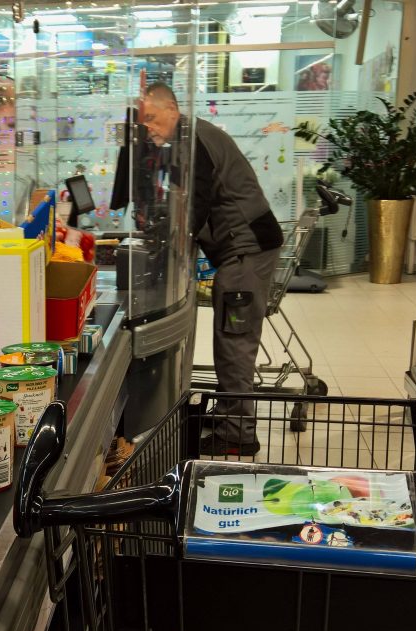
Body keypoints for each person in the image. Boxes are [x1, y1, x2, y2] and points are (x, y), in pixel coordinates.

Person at [142, 81, 284, 456]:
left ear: (172, 109)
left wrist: (170, 238)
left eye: (153, 119)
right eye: (145, 124)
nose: (150, 128)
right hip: (242, 248)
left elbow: (195, 204)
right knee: (230, 340)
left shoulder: (192, 142)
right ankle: (228, 418)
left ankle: (238, 434)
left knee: (234, 342)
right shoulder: (187, 138)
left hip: (246, 251)